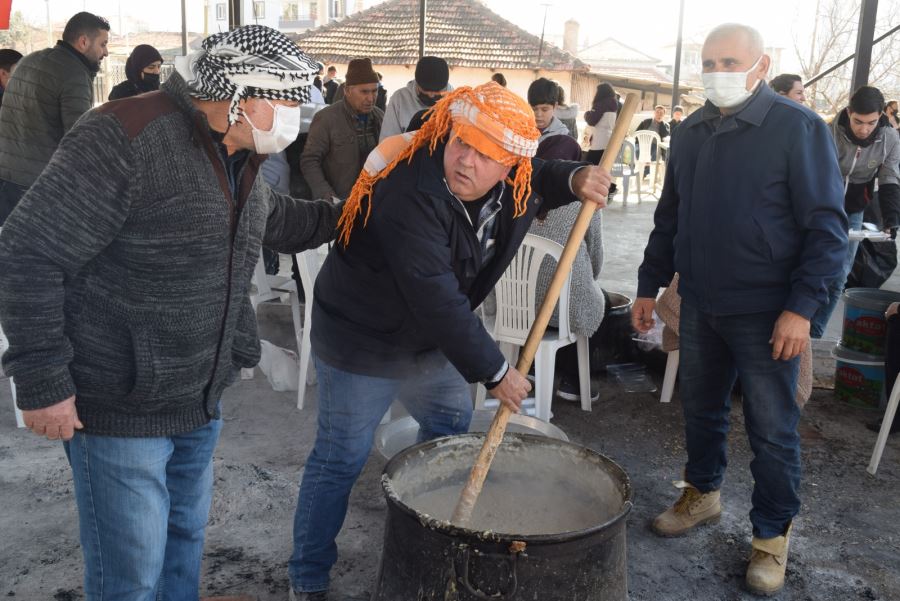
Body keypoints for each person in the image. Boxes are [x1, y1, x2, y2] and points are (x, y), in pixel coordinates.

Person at [0, 25, 338, 601]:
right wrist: (42, 381)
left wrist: (366, 201)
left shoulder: (237, 152)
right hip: (118, 403)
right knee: (130, 572)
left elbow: (277, 220)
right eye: (283, 98)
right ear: (237, 95)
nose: (291, 114)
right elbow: (28, 253)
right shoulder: (122, 136)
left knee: (183, 542)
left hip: (198, 397)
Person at [287, 81, 612, 600]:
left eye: (487, 156)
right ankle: (306, 574)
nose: (465, 161)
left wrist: (577, 176)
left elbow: (546, 174)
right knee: (339, 457)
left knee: (447, 427)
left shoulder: (518, 178)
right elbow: (436, 298)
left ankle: (422, 527)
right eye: (461, 144)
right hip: (361, 338)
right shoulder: (407, 189)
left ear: (510, 165)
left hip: (427, 341)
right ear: (450, 133)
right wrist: (496, 372)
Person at [632, 23, 847, 596]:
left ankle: (771, 538)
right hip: (701, 302)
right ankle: (702, 494)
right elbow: (669, 215)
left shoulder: (798, 129)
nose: (717, 72)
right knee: (701, 410)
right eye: (709, 61)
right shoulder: (693, 129)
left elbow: (828, 228)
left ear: (761, 64)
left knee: (773, 430)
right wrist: (649, 283)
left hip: (767, 311)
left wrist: (802, 309)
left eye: (730, 61)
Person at [526, 78, 602, 401]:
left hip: (515, 307)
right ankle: (571, 380)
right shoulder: (586, 200)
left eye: (544, 109)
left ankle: (529, 369)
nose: (539, 115)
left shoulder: (518, 196)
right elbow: (596, 259)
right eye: (535, 109)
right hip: (566, 308)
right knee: (587, 295)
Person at [0, 11, 109, 225]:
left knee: (11, 249)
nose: (106, 52)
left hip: (6, 178)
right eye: (103, 44)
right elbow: (80, 139)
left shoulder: (28, 60)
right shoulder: (73, 74)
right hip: (40, 185)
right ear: (84, 42)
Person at [809, 86, 900, 338]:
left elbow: (890, 177)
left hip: (855, 207)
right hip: (821, 202)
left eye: (871, 122)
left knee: (840, 274)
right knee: (811, 265)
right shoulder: (828, 132)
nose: (863, 129)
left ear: (881, 115)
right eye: (858, 121)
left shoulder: (890, 138)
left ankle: (814, 334)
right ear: (849, 112)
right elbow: (814, 173)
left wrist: (892, 219)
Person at [300, 57, 383, 202]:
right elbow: (309, 161)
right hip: (339, 203)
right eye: (364, 92)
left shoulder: (380, 117)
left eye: (374, 91)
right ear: (347, 91)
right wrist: (328, 196)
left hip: (374, 202)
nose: (371, 98)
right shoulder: (326, 118)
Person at [379, 55, 451, 140]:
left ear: (445, 86)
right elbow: (387, 142)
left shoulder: (457, 101)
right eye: (425, 89)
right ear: (417, 83)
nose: (431, 95)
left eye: (437, 91)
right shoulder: (399, 99)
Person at [584, 82, 618, 196]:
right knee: (605, 166)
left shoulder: (600, 104)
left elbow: (591, 120)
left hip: (599, 140)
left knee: (591, 165)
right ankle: (610, 187)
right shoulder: (615, 103)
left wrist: (586, 114)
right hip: (609, 140)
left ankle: (595, 191)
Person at [636, 104, 670, 174]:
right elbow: (637, 133)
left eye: (661, 113)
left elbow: (665, 136)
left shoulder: (666, 125)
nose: (659, 114)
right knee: (637, 151)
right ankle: (642, 171)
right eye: (657, 112)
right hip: (643, 145)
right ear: (654, 113)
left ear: (664, 115)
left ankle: (643, 173)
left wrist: (661, 124)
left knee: (654, 155)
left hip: (655, 147)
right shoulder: (646, 122)